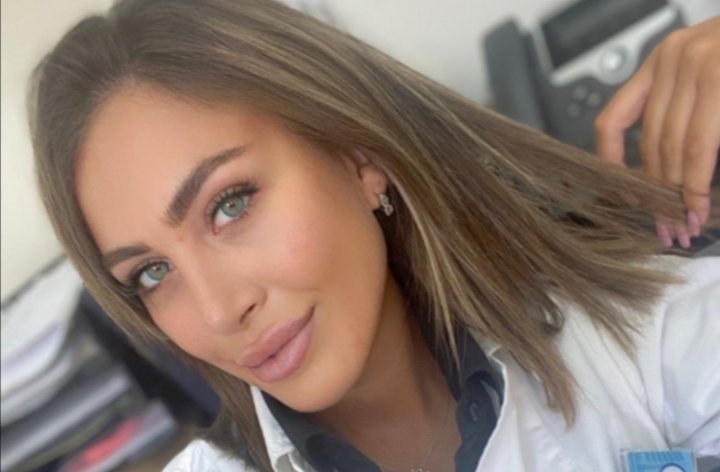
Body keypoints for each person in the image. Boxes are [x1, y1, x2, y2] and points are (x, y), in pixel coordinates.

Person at [28, 0, 718, 471]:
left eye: (230, 205)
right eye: (151, 273)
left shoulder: (645, 338)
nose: (216, 313)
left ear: (358, 159)